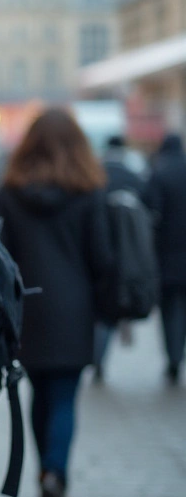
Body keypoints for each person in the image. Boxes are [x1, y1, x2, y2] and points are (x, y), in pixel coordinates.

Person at [0, 108, 112, 497]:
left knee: (38, 394)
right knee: (64, 397)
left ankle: (45, 474)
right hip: (73, 309)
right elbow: (101, 256)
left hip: (26, 307)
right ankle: (55, 473)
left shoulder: (9, 191)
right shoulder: (89, 191)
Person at [94, 135, 148, 380]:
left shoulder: (94, 175)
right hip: (129, 254)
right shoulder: (133, 176)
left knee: (101, 308)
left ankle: (98, 359)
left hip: (99, 251)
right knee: (115, 302)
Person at [145, 133, 186, 384]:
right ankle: (178, 353)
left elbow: (151, 212)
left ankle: (173, 358)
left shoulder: (159, 173)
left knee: (170, 310)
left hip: (167, 257)